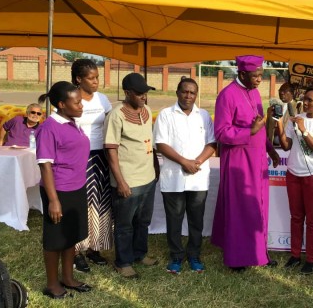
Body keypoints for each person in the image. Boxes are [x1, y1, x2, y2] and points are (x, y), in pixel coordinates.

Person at [211, 55, 280, 271]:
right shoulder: (227, 95)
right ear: (242, 74)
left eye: (261, 75)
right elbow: (221, 132)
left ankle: (260, 253)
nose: (260, 79)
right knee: (241, 208)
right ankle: (238, 258)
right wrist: (248, 131)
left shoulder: (255, 92)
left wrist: (271, 150)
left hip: (258, 160)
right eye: (256, 76)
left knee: (259, 206)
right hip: (239, 161)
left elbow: (259, 126)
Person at [153, 77, 216, 274]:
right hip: (174, 178)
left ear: (196, 95)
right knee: (174, 219)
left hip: (197, 178)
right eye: (185, 92)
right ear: (177, 93)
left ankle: (195, 256)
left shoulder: (204, 115)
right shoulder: (165, 114)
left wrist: (195, 162)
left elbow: (212, 143)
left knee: (196, 220)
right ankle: (176, 257)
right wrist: (184, 162)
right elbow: (160, 144)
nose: (188, 96)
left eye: (192, 93)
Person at [36, 81, 92, 299]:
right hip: (58, 190)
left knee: (70, 235)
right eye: (76, 102)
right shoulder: (49, 128)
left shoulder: (72, 121)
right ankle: (52, 284)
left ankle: (68, 277)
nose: (81, 105)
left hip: (77, 186)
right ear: (61, 104)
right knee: (54, 239)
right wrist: (53, 200)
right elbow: (45, 165)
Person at [104, 72, 160, 279]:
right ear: (127, 93)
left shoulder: (146, 110)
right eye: (139, 94)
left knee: (143, 221)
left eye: (145, 93)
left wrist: (155, 168)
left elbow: (149, 143)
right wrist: (120, 181)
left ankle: (139, 253)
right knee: (124, 224)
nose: (143, 97)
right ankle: (123, 262)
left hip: (148, 178)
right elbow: (110, 150)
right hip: (127, 181)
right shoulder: (116, 115)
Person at [277, 85, 313, 274]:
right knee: (296, 217)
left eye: (310, 100)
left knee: (312, 219)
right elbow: (286, 146)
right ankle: (295, 255)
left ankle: (310, 259)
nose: (306, 102)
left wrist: (304, 131)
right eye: (305, 98)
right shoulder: (296, 119)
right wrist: (279, 125)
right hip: (293, 174)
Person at [70, 59, 113, 273]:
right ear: (79, 79)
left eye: (97, 77)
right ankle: (76, 250)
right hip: (78, 158)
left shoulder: (102, 99)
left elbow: (111, 126)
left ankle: (95, 248)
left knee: (100, 202)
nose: (97, 81)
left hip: (101, 157)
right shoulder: (71, 98)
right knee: (82, 203)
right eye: (91, 78)